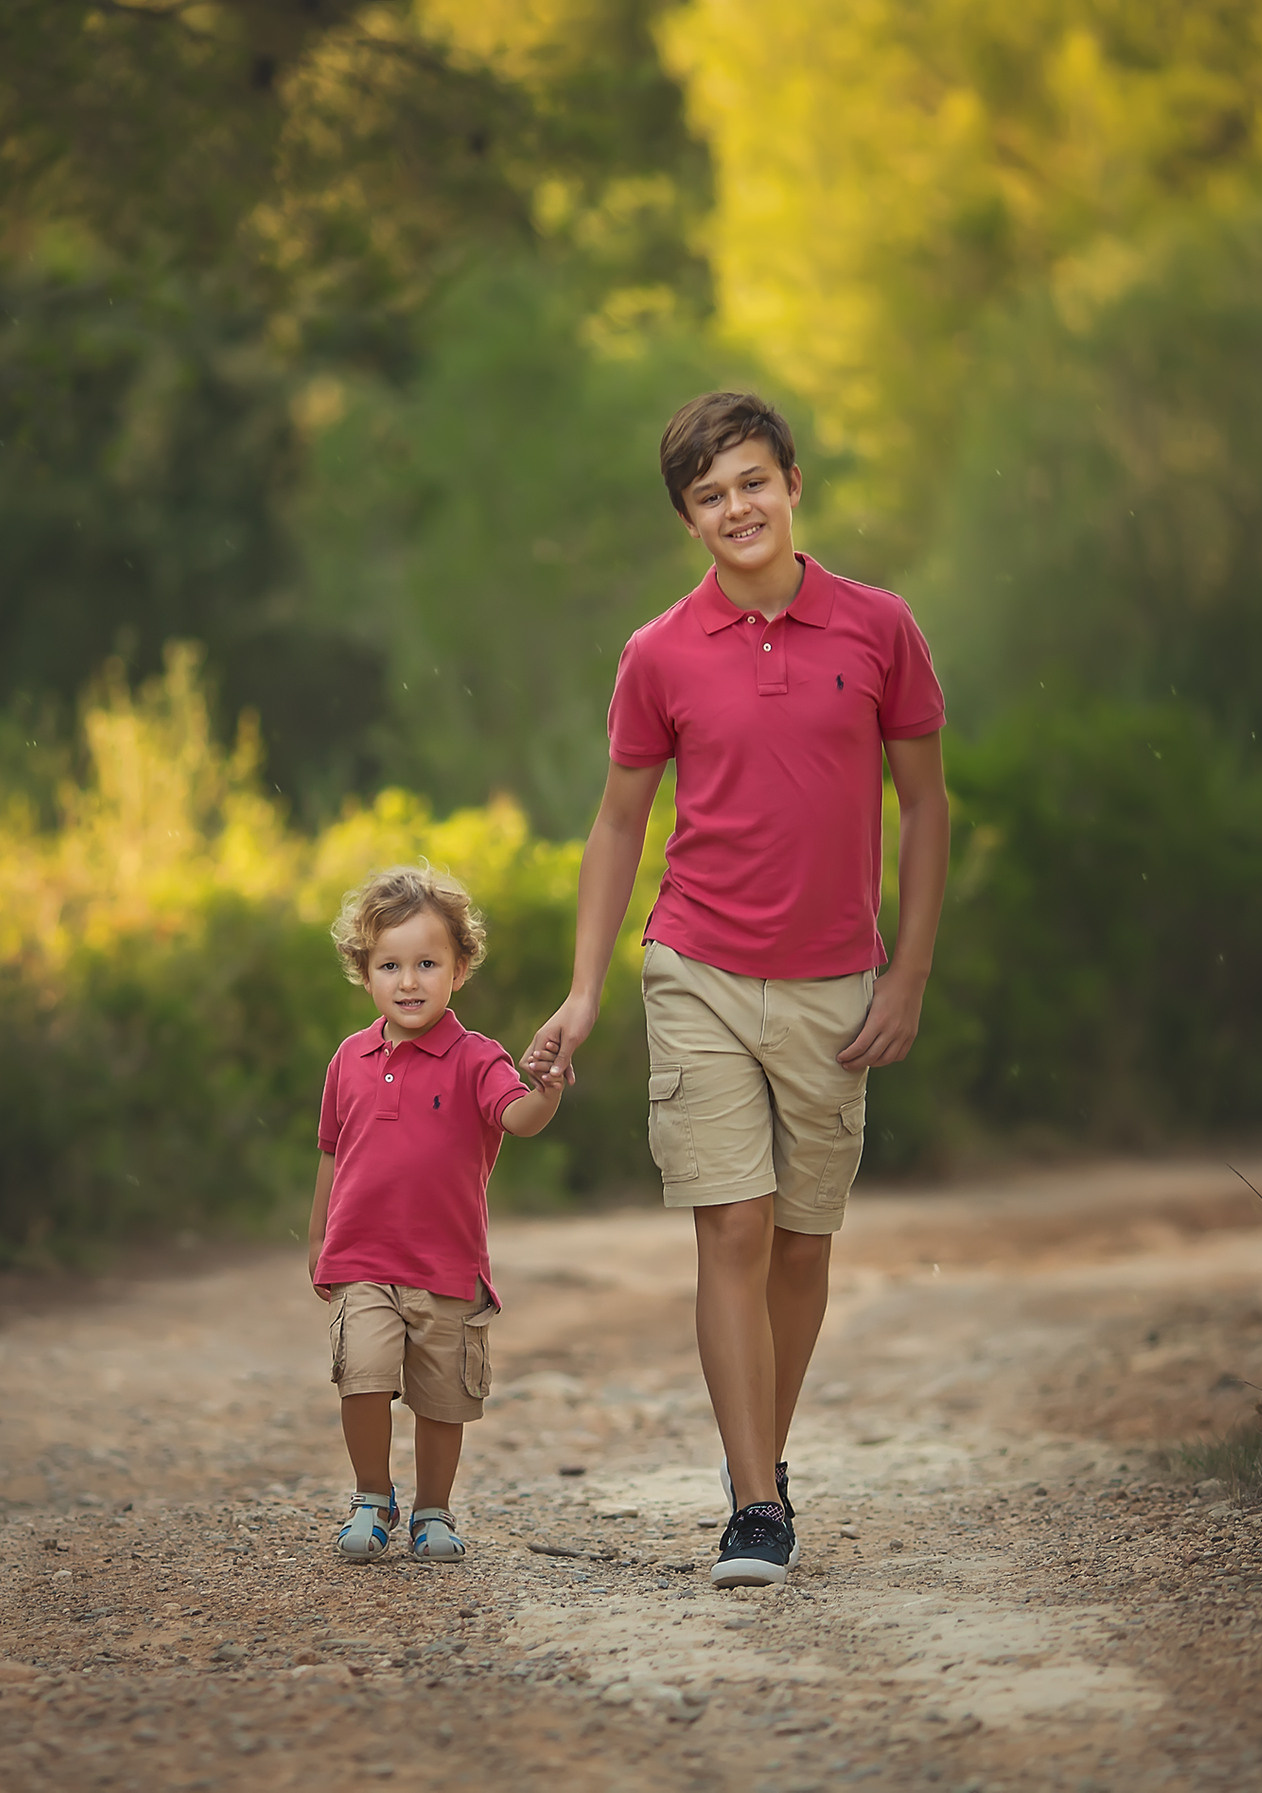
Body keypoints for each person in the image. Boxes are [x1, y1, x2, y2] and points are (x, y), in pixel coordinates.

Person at [525, 391, 950, 1589]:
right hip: (696, 964)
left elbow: (923, 806)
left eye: (752, 482)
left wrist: (906, 972)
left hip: (836, 984)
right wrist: (585, 988)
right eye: (709, 496)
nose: (735, 508)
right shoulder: (657, 652)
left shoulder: (878, 626)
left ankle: (756, 1451)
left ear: (793, 483)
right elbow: (618, 824)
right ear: (688, 519)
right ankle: (756, 1500)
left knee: (804, 1246)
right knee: (733, 1223)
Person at [308, 865, 566, 1563]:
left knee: (440, 1400)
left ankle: (433, 1509)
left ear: (460, 967)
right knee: (361, 1374)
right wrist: (319, 1238)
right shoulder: (349, 1058)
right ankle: (371, 1494)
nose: (410, 980)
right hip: (362, 1257)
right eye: (390, 964)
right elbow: (332, 1154)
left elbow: (518, 1117)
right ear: (366, 973)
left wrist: (546, 1091)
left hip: (446, 1267)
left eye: (428, 962)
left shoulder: (476, 1058)